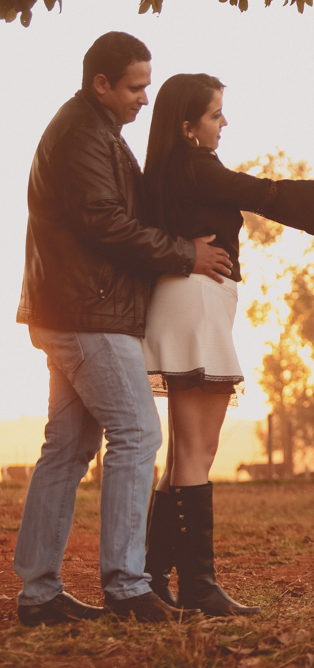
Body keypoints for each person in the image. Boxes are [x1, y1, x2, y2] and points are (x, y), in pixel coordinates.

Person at [140, 72, 314, 616]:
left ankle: (154, 579)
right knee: (198, 453)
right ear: (188, 126)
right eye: (215, 115)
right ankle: (197, 585)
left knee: (182, 456)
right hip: (195, 306)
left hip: (187, 305)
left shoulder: (174, 171)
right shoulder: (196, 167)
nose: (223, 123)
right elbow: (268, 195)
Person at [14, 32, 233, 626]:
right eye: (135, 86)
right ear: (101, 84)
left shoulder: (94, 131)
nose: (144, 97)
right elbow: (106, 225)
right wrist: (185, 252)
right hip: (90, 314)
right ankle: (128, 586)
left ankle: (38, 595)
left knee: (66, 448)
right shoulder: (84, 136)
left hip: (71, 309)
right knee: (138, 434)